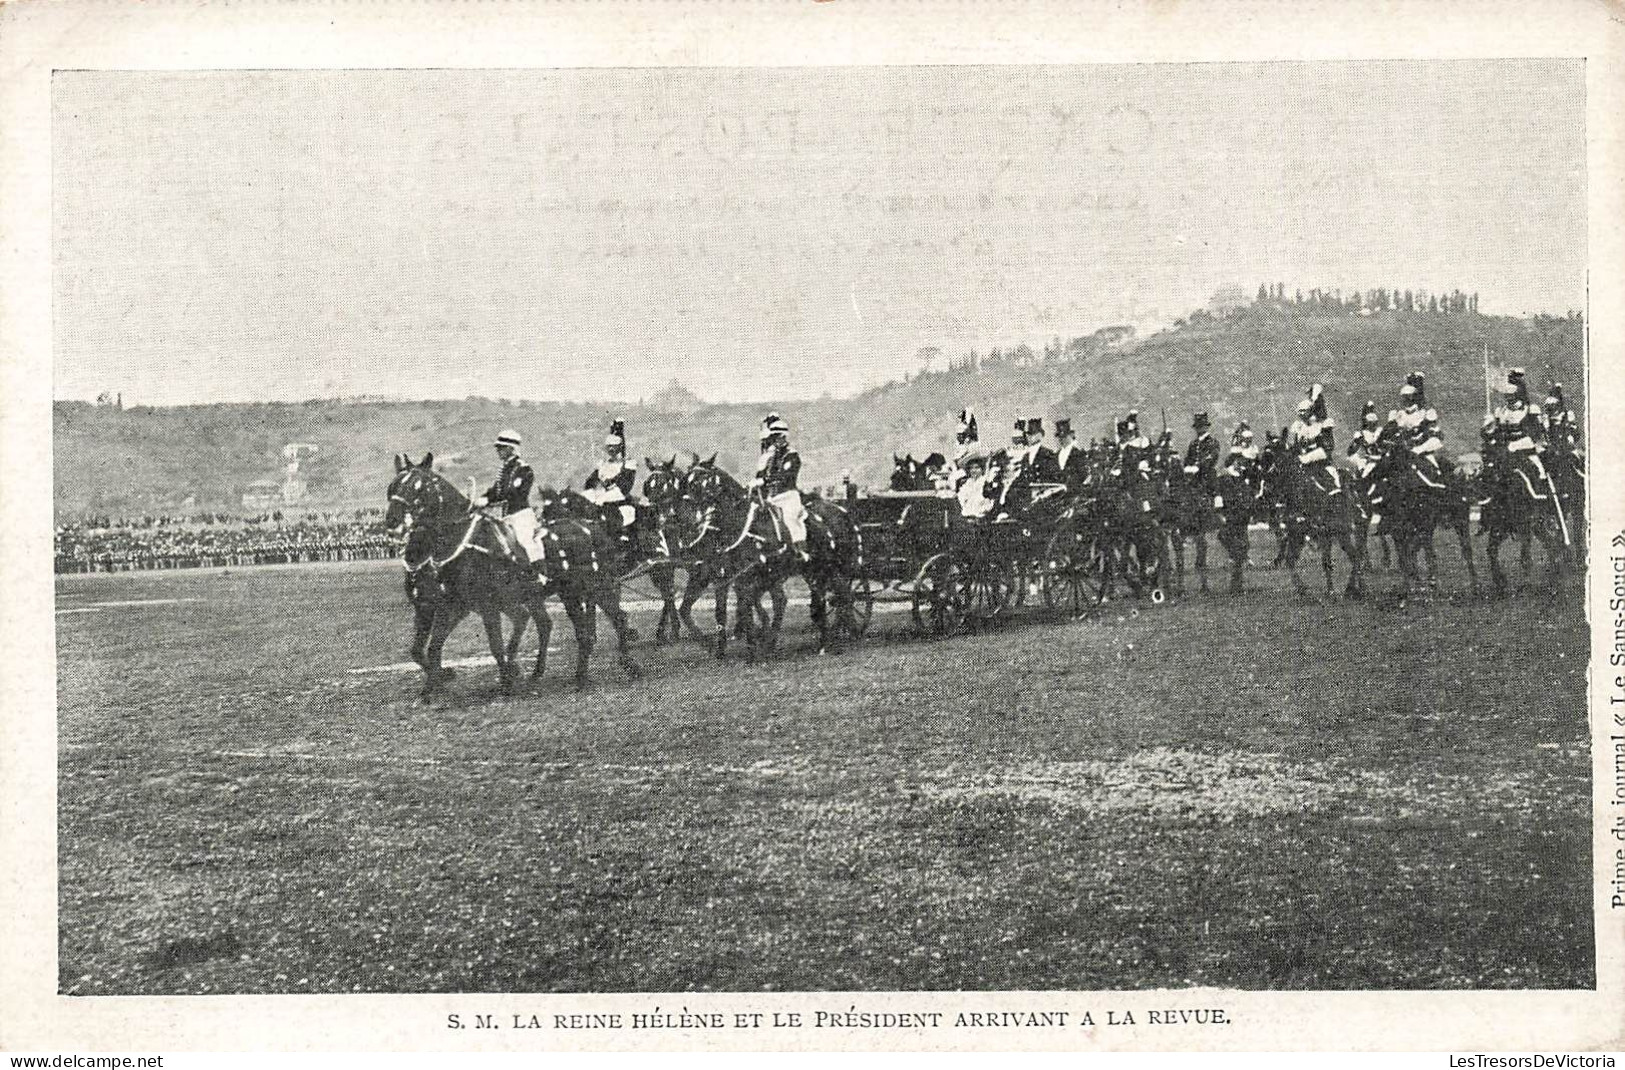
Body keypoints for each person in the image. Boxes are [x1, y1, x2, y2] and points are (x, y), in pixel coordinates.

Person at [474, 428, 540, 562]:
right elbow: (496, 490)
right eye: (498, 448)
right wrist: (483, 497)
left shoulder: (523, 469)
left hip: (520, 516)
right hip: (506, 517)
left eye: (502, 448)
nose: (498, 451)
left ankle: (539, 574)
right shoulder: (504, 469)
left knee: (525, 543)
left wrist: (488, 500)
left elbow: (512, 493)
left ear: (511, 448)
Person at [753, 413, 809, 561]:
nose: (774, 441)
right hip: (773, 498)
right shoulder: (772, 458)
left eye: (777, 437)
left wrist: (764, 481)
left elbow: (786, 476)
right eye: (773, 438)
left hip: (789, 496)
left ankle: (800, 550)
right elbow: (765, 473)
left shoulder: (792, 456)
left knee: (790, 519)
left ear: (783, 437)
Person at [584, 418, 637, 543]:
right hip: (602, 495)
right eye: (609, 447)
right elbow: (590, 482)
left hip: (619, 498)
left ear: (619, 447)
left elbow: (625, 485)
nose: (611, 450)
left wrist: (608, 488)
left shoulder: (628, 463)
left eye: (614, 447)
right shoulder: (602, 464)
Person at [1286, 384, 1340, 496]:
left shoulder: (1321, 426)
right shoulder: (1299, 427)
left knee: (1326, 478)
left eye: (1305, 411)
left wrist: (1306, 457)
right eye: (1300, 412)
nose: (1302, 414)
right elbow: (1296, 446)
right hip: (1302, 462)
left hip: (1319, 462)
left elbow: (1327, 449)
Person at [1183, 412, 1220, 500]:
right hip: (1192, 474)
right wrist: (1189, 467)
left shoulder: (1213, 442)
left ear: (1206, 427)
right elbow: (1188, 458)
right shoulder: (1193, 444)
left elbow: (1211, 459)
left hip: (1206, 473)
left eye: (1201, 426)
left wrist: (1198, 466)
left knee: (1211, 486)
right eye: (1197, 427)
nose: (1199, 429)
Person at [956, 450, 995, 519]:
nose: (973, 470)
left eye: (977, 467)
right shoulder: (967, 483)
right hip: (967, 514)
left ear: (982, 469)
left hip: (982, 514)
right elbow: (961, 498)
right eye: (971, 468)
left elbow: (988, 498)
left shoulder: (985, 481)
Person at [1055, 418, 1088, 494]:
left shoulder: (1079, 454)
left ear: (1071, 435)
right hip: (1058, 494)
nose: (1061, 439)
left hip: (1074, 493)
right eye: (1060, 437)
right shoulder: (1056, 455)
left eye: (1064, 436)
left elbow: (1083, 475)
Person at [1543, 383, 1579, 452]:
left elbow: (1574, 430)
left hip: (1566, 441)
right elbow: (1546, 431)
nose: (1551, 408)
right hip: (1553, 442)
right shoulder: (1547, 417)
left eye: (1553, 406)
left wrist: (1570, 436)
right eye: (1549, 407)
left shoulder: (1567, 414)